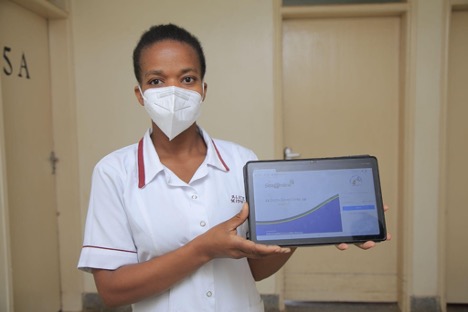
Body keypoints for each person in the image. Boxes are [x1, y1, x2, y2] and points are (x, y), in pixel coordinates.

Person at [78, 23, 388, 312]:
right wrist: (205, 248)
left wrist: (300, 232)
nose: (173, 91)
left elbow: (254, 269)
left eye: (187, 79)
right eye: (156, 80)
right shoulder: (114, 172)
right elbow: (112, 290)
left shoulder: (241, 161)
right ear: (140, 94)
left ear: (203, 89)